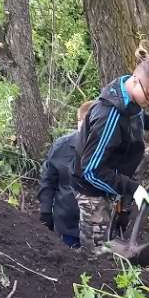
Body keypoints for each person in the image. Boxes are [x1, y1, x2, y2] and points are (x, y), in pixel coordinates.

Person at [72, 57, 149, 251]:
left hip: (116, 172)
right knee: (96, 254)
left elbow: (137, 115)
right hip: (93, 190)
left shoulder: (128, 98)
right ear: (135, 80)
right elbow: (91, 171)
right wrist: (133, 188)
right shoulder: (108, 117)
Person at [38, 100, 96, 248]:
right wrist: (45, 212)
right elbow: (48, 180)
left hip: (100, 228)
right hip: (67, 225)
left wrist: (124, 210)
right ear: (79, 122)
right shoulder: (61, 147)